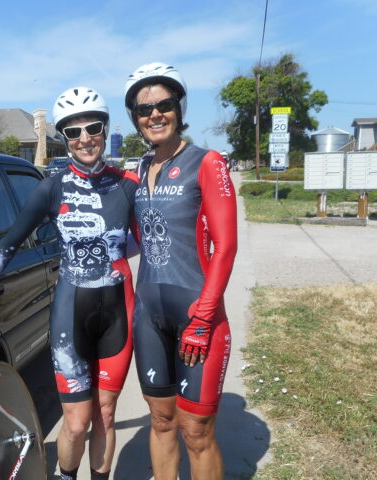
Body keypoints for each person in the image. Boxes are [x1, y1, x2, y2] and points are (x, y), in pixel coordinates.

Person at [0, 87, 139, 480]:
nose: (84, 138)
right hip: (70, 314)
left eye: (93, 127)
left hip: (118, 313)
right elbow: (6, 246)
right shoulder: (52, 186)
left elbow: (156, 243)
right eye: (72, 132)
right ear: (64, 138)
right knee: (76, 423)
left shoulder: (128, 184)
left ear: (105, 127)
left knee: (105, 414)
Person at [123, 62, 238, 479]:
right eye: (143, 109)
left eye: (164, 104)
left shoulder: (206, 162)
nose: (154, 114)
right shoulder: (137, 170)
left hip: (197, 313)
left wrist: (204, 317)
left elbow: (226, 247)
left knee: (196, 430)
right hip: (149, 316)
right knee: (161, 422)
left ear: (178, 108)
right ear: (134, 119)